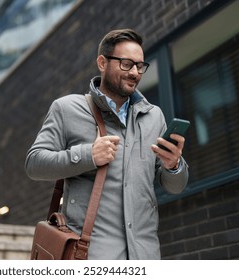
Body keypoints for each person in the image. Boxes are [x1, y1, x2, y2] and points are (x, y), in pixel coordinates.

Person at [25, 28, 188, 260]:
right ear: (102, 62)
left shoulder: (155, 116)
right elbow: (34, 164)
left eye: (140, 66)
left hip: (145, 256)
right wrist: (88, 155)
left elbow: (175, 186)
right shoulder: (67, 108)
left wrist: (173, 166)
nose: (134, 73)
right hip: (90, 255)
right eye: (126, 64)